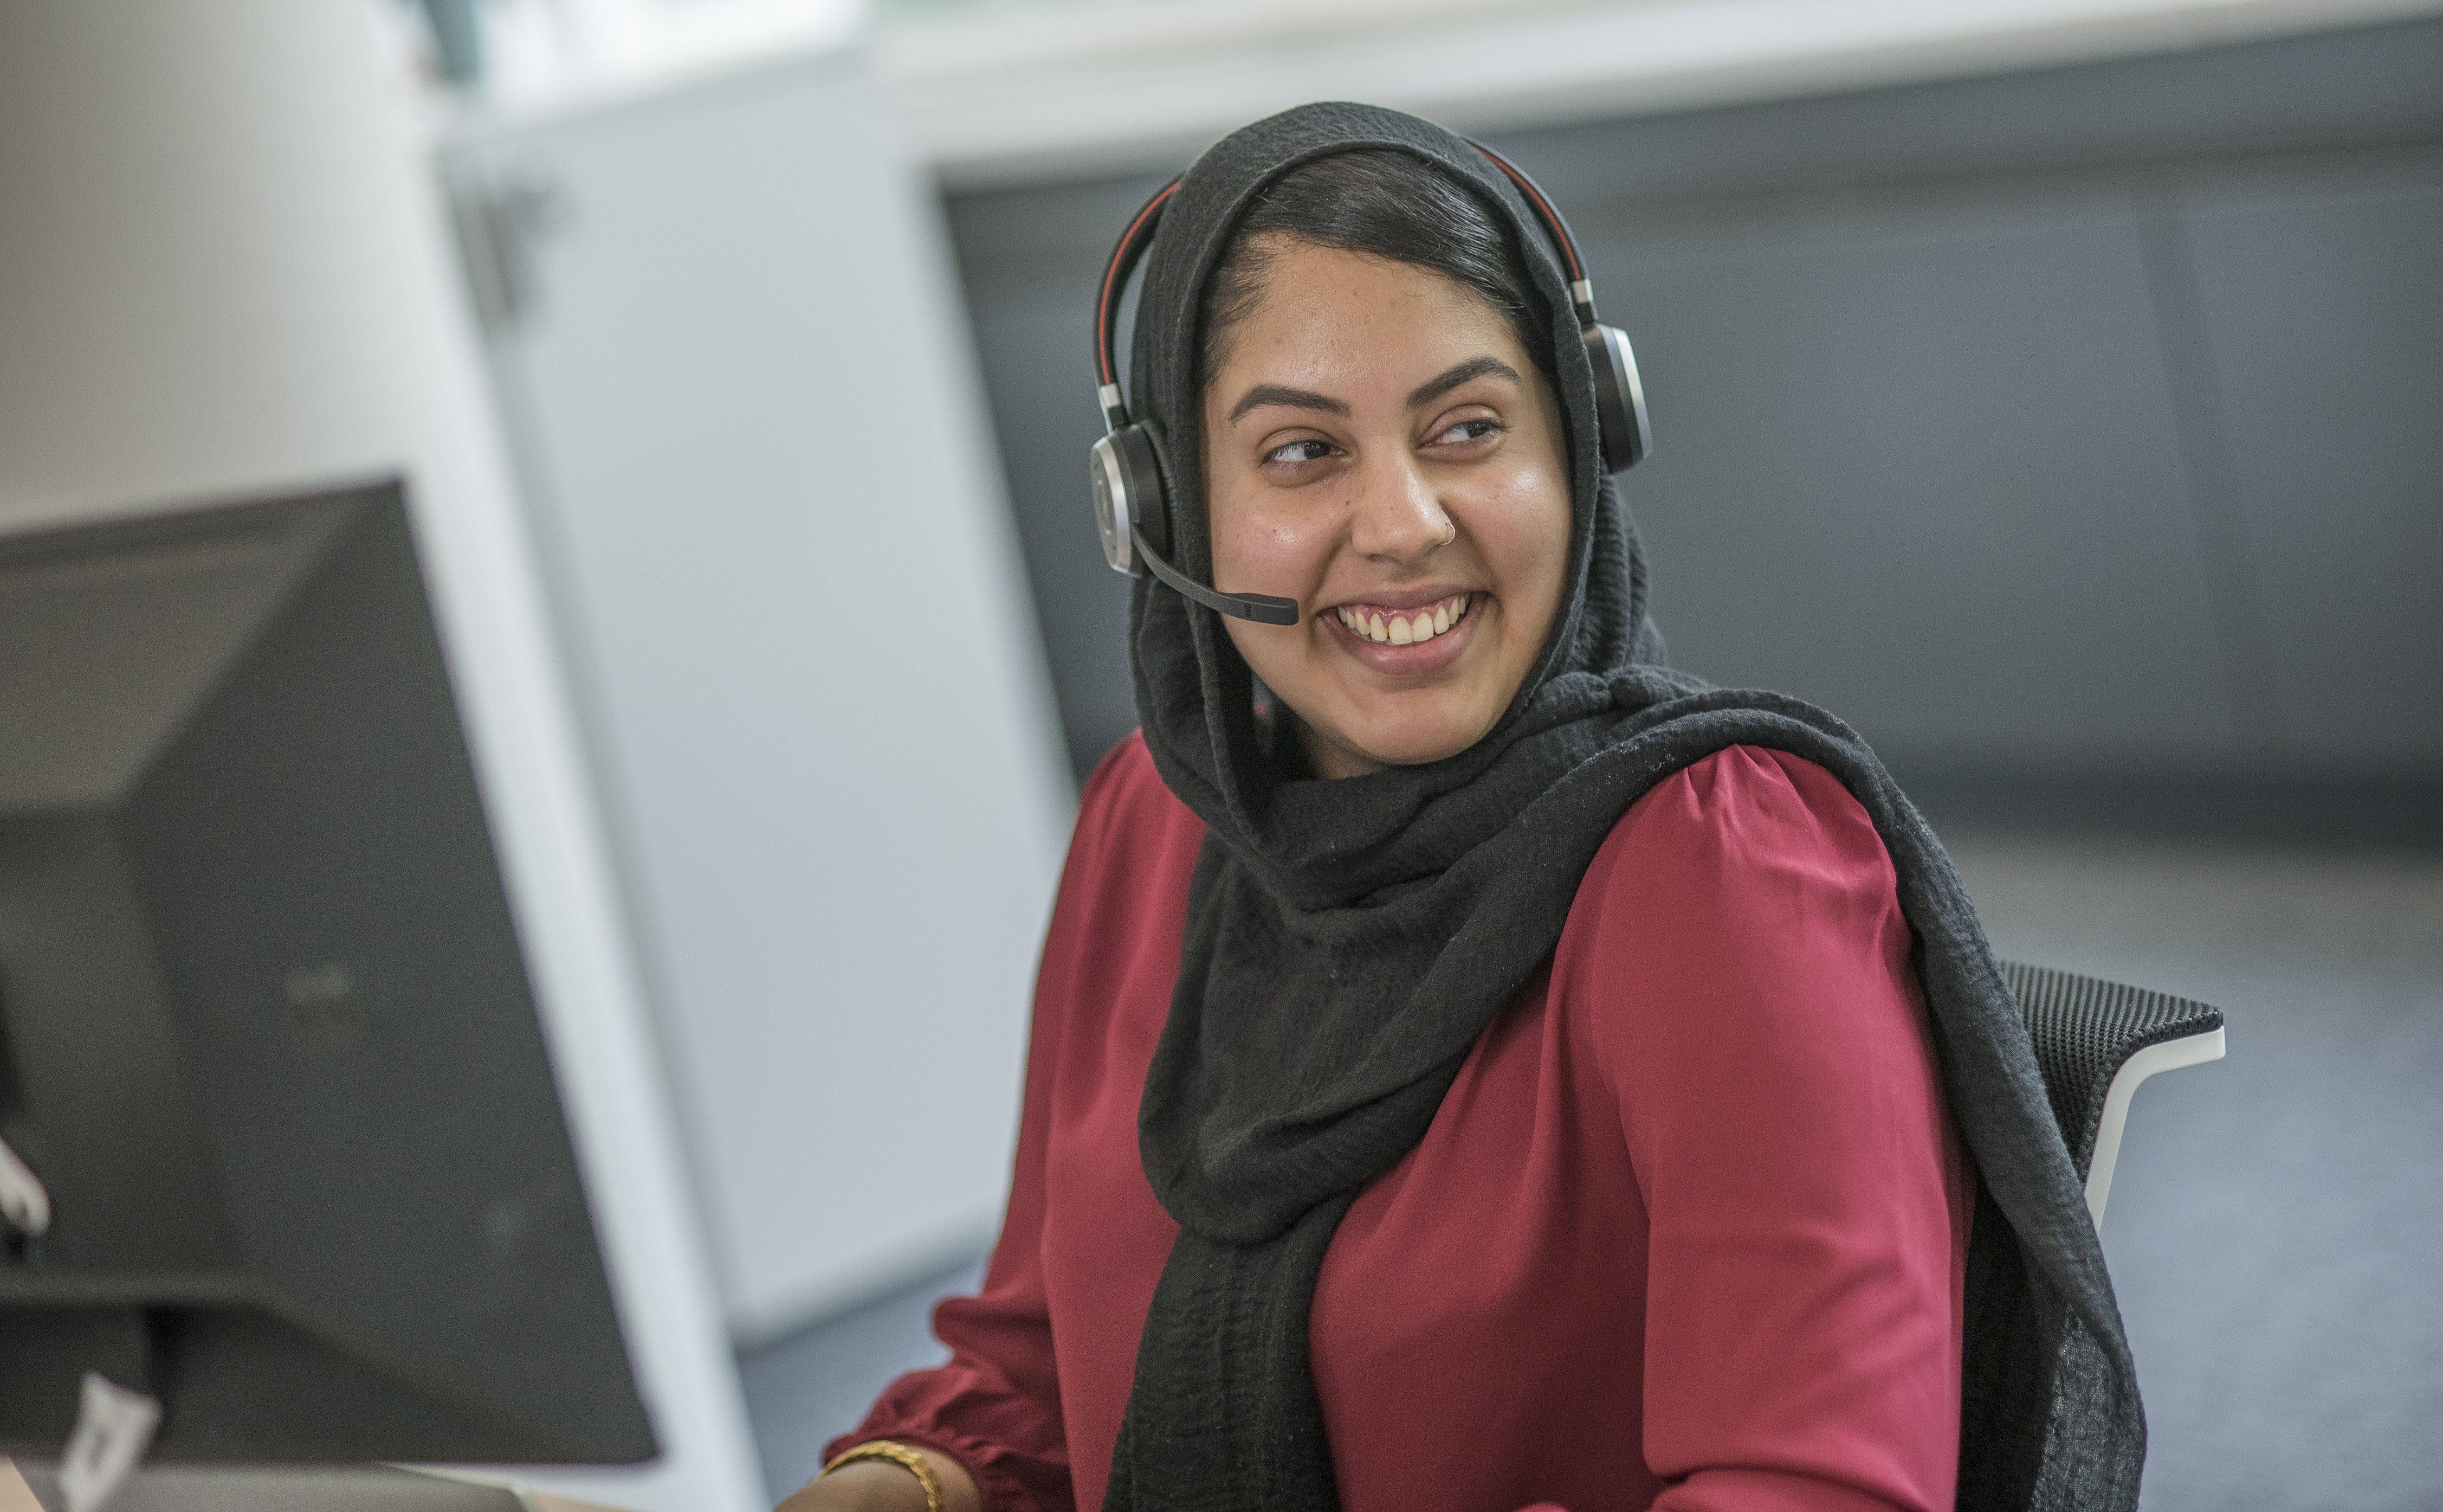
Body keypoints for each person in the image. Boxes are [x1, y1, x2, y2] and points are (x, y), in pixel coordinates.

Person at [782, 104, 2143, 1512]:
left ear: (1580, 440)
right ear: (1166, 511)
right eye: (1303, 453)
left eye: (1470, 428)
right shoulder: (1154, 824)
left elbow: (1817, 1486)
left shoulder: (1720, 860)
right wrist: (901, 1486)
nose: (1406, 522)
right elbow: (1040, 1364)